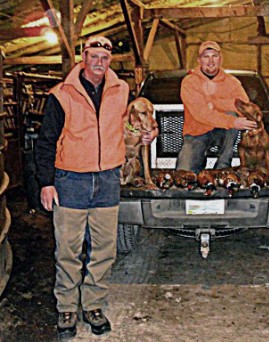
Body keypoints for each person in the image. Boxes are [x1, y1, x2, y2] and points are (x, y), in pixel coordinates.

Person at [35, 35, 156, 339]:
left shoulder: (121, 90)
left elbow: (123, 127)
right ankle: (66, 307)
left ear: (109, 60)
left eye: (105, 57)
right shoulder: (61, 95)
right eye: (94, 56)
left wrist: (142, 137)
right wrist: (46, 183)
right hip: (71, 180)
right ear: (83, 56)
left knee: (104, 249)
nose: (99, 63)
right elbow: (46, 142)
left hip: (106, 180)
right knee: (69, 250)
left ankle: (93, 305)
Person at [176, 41, 257, 173]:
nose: (210, 61)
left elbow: (244, 106)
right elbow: (201, 114)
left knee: (233, 115)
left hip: (223, 132)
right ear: (199, 60)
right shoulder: (189, 82)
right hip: (197, 133)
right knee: (185, 173)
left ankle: (222, 166)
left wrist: (213, 103)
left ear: (221, 59)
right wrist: (230, 117)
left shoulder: (232, 82)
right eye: (205, 56)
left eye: (214, 56)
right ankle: (199, 163)